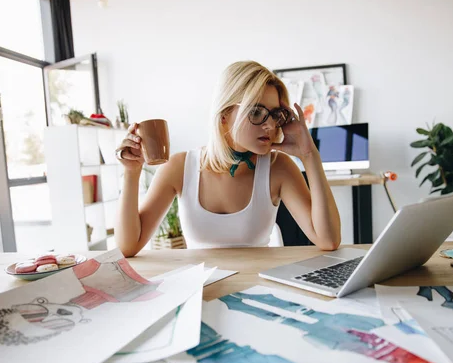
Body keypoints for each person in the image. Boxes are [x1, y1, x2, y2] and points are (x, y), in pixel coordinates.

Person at [115, 61, 341, 256]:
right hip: (202, 292)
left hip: (257, 288)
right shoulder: (180, 167)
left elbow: (328, 240)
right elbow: (128, 247)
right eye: (256, 112)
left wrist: (309, 155)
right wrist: (132, 172)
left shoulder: (278, 167)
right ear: (224, 115)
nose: (270, 125)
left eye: (275, 115)